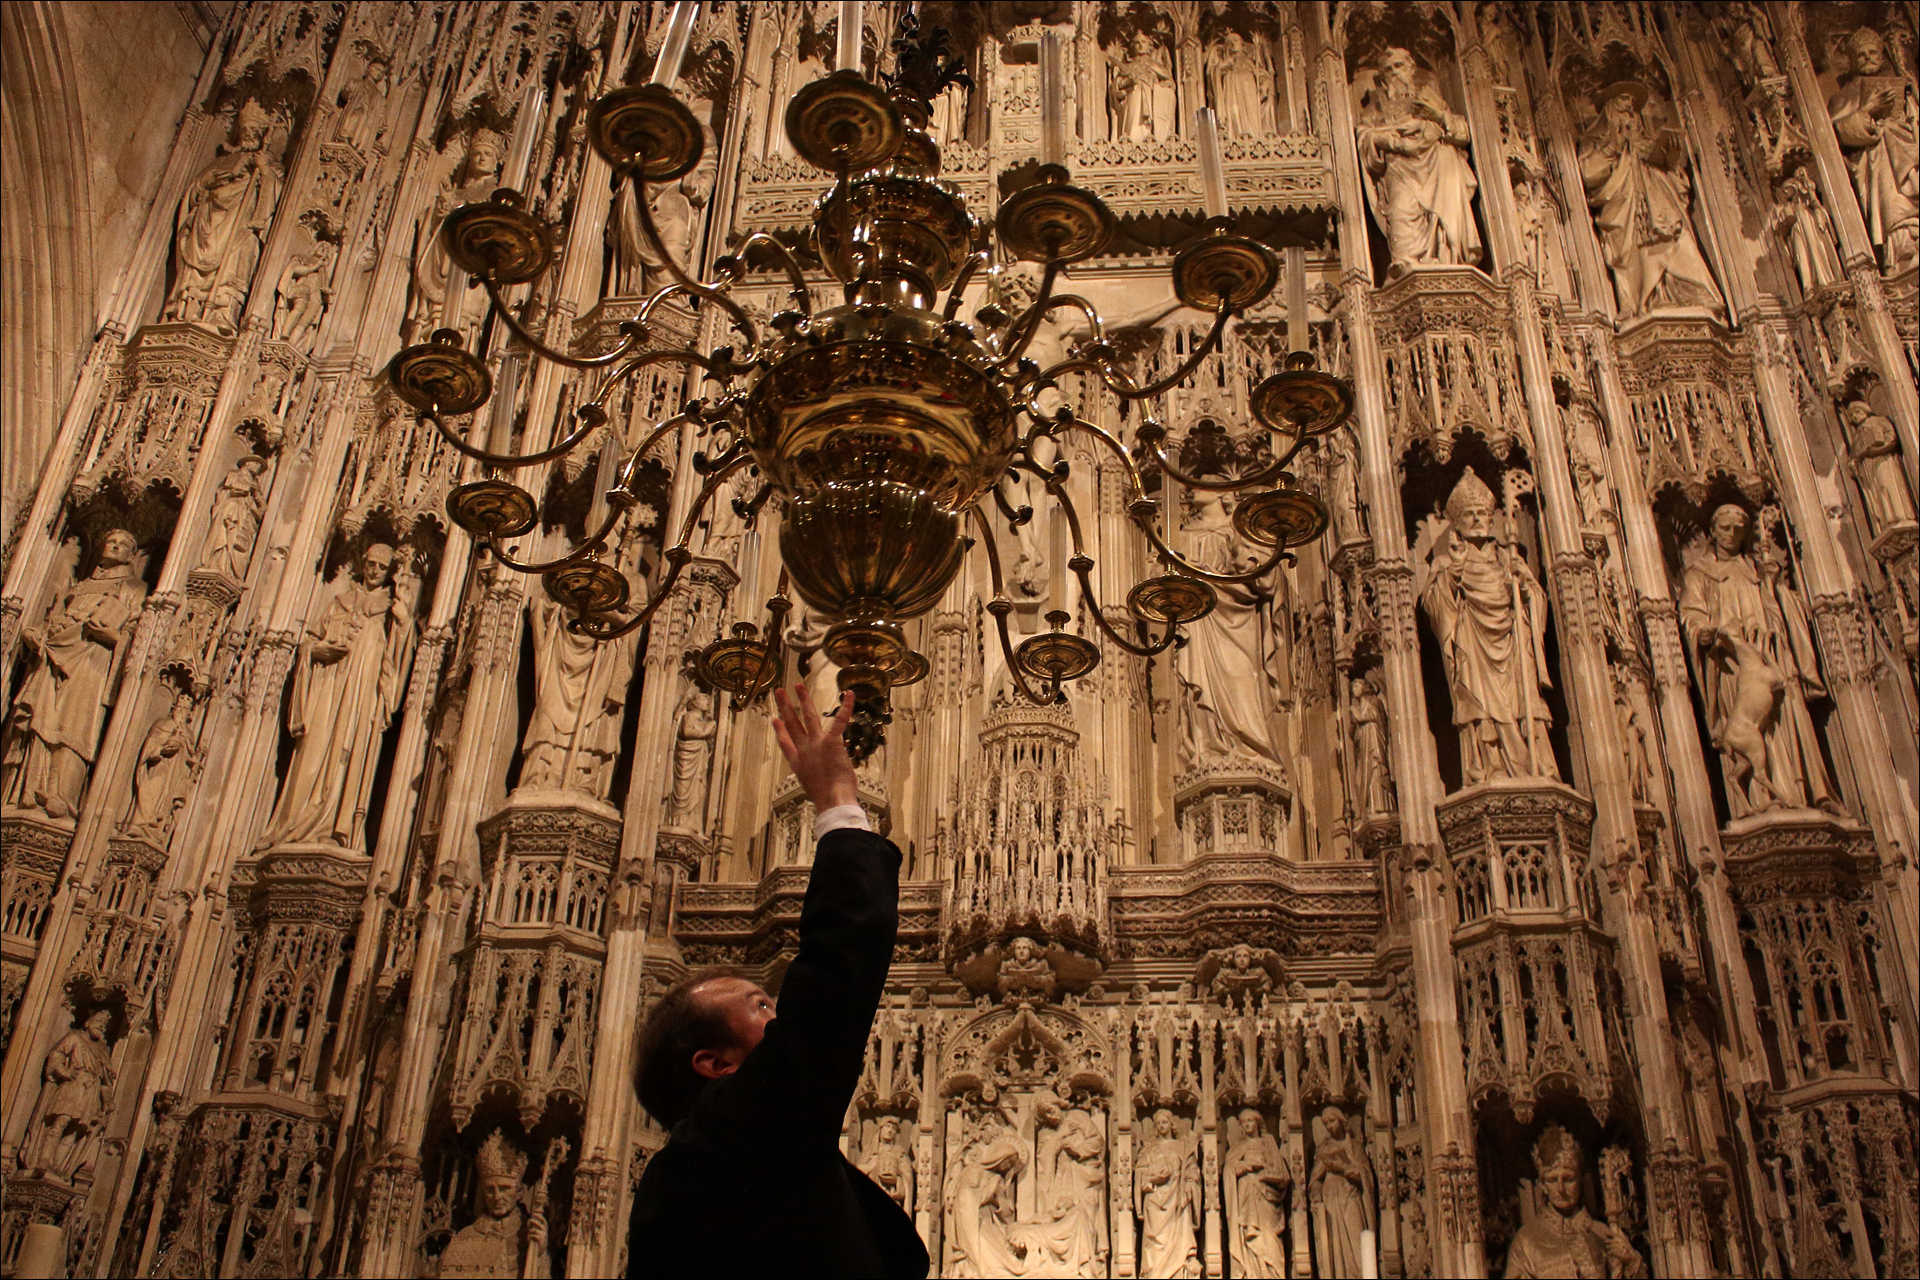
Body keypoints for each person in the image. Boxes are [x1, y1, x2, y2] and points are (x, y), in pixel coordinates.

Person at [627, 684, 928, 1278]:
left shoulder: (729, 1160)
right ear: (715, 1064)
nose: (783, 1016)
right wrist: (837, 801)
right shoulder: (734, 1140)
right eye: (761, 1005)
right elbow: (836, 972)